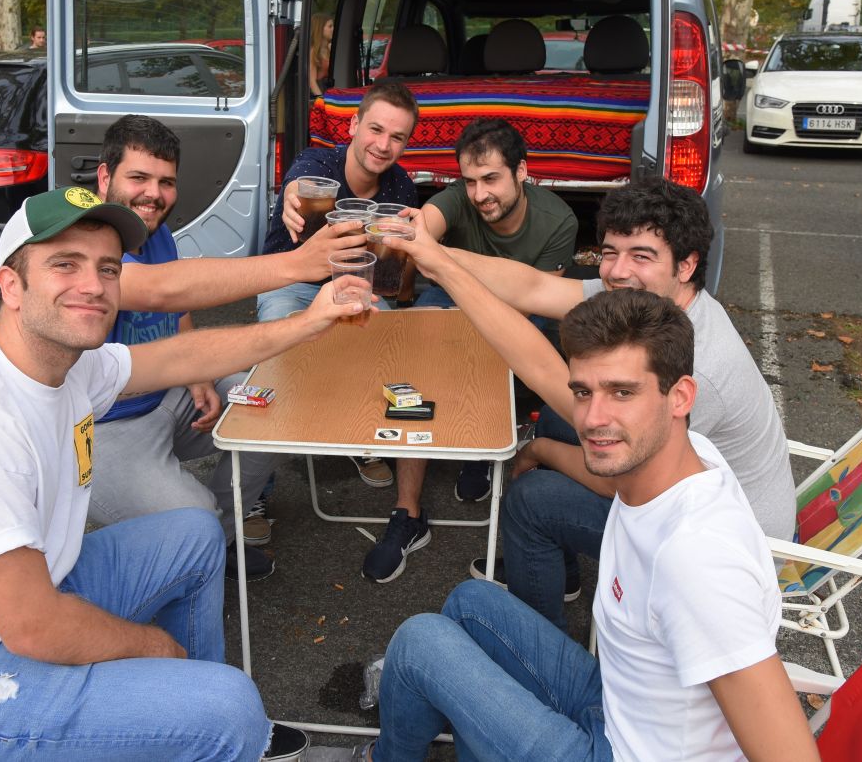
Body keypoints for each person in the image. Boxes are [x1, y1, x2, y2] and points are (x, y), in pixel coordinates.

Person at [0, 186, 366, 760]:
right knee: (232, 705)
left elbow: (178, 357)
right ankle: (209, 722)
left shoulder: (60, 361)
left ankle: (191, 731)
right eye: (63, 264)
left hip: (24, 600)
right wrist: (156, 649)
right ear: (12, 285)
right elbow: (36, 628)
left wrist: (311, 320)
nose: (93, 286)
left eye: (107, 267)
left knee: (196, 536)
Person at [345, 289, 818, 762]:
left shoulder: (696, 560)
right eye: (583, 392)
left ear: (680, 397)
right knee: (471, 603)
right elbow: (539, 364)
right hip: (618, 706)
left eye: (622, 392)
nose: (593, 418)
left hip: (619, 752)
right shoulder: (683, 458)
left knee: (419, 642)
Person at [391, 178, 794, 630]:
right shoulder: (650, 302)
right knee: (559, 424)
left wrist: (540, 453)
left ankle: (535, 648)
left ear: (686, 265)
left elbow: (617, 480)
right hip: (694, 502)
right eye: (609, 252)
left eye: (641, 256)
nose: (618, 271)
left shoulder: (697, 371)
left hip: (722, 555)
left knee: (530, 498)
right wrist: (428, 247)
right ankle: (552, 571)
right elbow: (532, 287)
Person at [362, 117, 580, 584]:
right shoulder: (459, 200)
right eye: (470, 181)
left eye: (492, 179)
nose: (480, 193)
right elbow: (428, 222)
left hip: (520, 309)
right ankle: (408, 512)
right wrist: (412, 233)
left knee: (502, 345)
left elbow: (536, 300)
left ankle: (480, 449)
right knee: (420, 349)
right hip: (451, 299)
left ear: (523, 172)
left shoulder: (559, 220)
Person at [89, 114, 291, 581]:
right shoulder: (84, 238)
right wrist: (297, 264)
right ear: (105, 177)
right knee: (194, 516)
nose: (153, 194)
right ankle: (195, 547)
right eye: (138, 177)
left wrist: (198, 374)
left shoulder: (154, 232)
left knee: (270, 411)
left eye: (166, 182)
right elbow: (157, 290)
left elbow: (175, 310)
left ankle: (210, 550)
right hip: (102, 429)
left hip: (166, 394)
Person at [257, 80, 420, 488]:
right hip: (293, 280)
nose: (383, 145)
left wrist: (399, 285)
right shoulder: (319, 163)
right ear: (353, 125)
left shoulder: (401, 187)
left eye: (397, 137)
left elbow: (397, 265)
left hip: (356, 285)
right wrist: (293, 201)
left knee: (389, 348)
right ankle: (258, 481)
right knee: (273, 360)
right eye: (376, 130)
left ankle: (362, 437)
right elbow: (301, 186)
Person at [308, 12, 334, 99]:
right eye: (330, 26)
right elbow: (311, 81)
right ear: (320, 28)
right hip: (319, 92)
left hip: (330, 91)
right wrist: (322, 101)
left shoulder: (330, 49)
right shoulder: (313, 52)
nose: (333, 29)